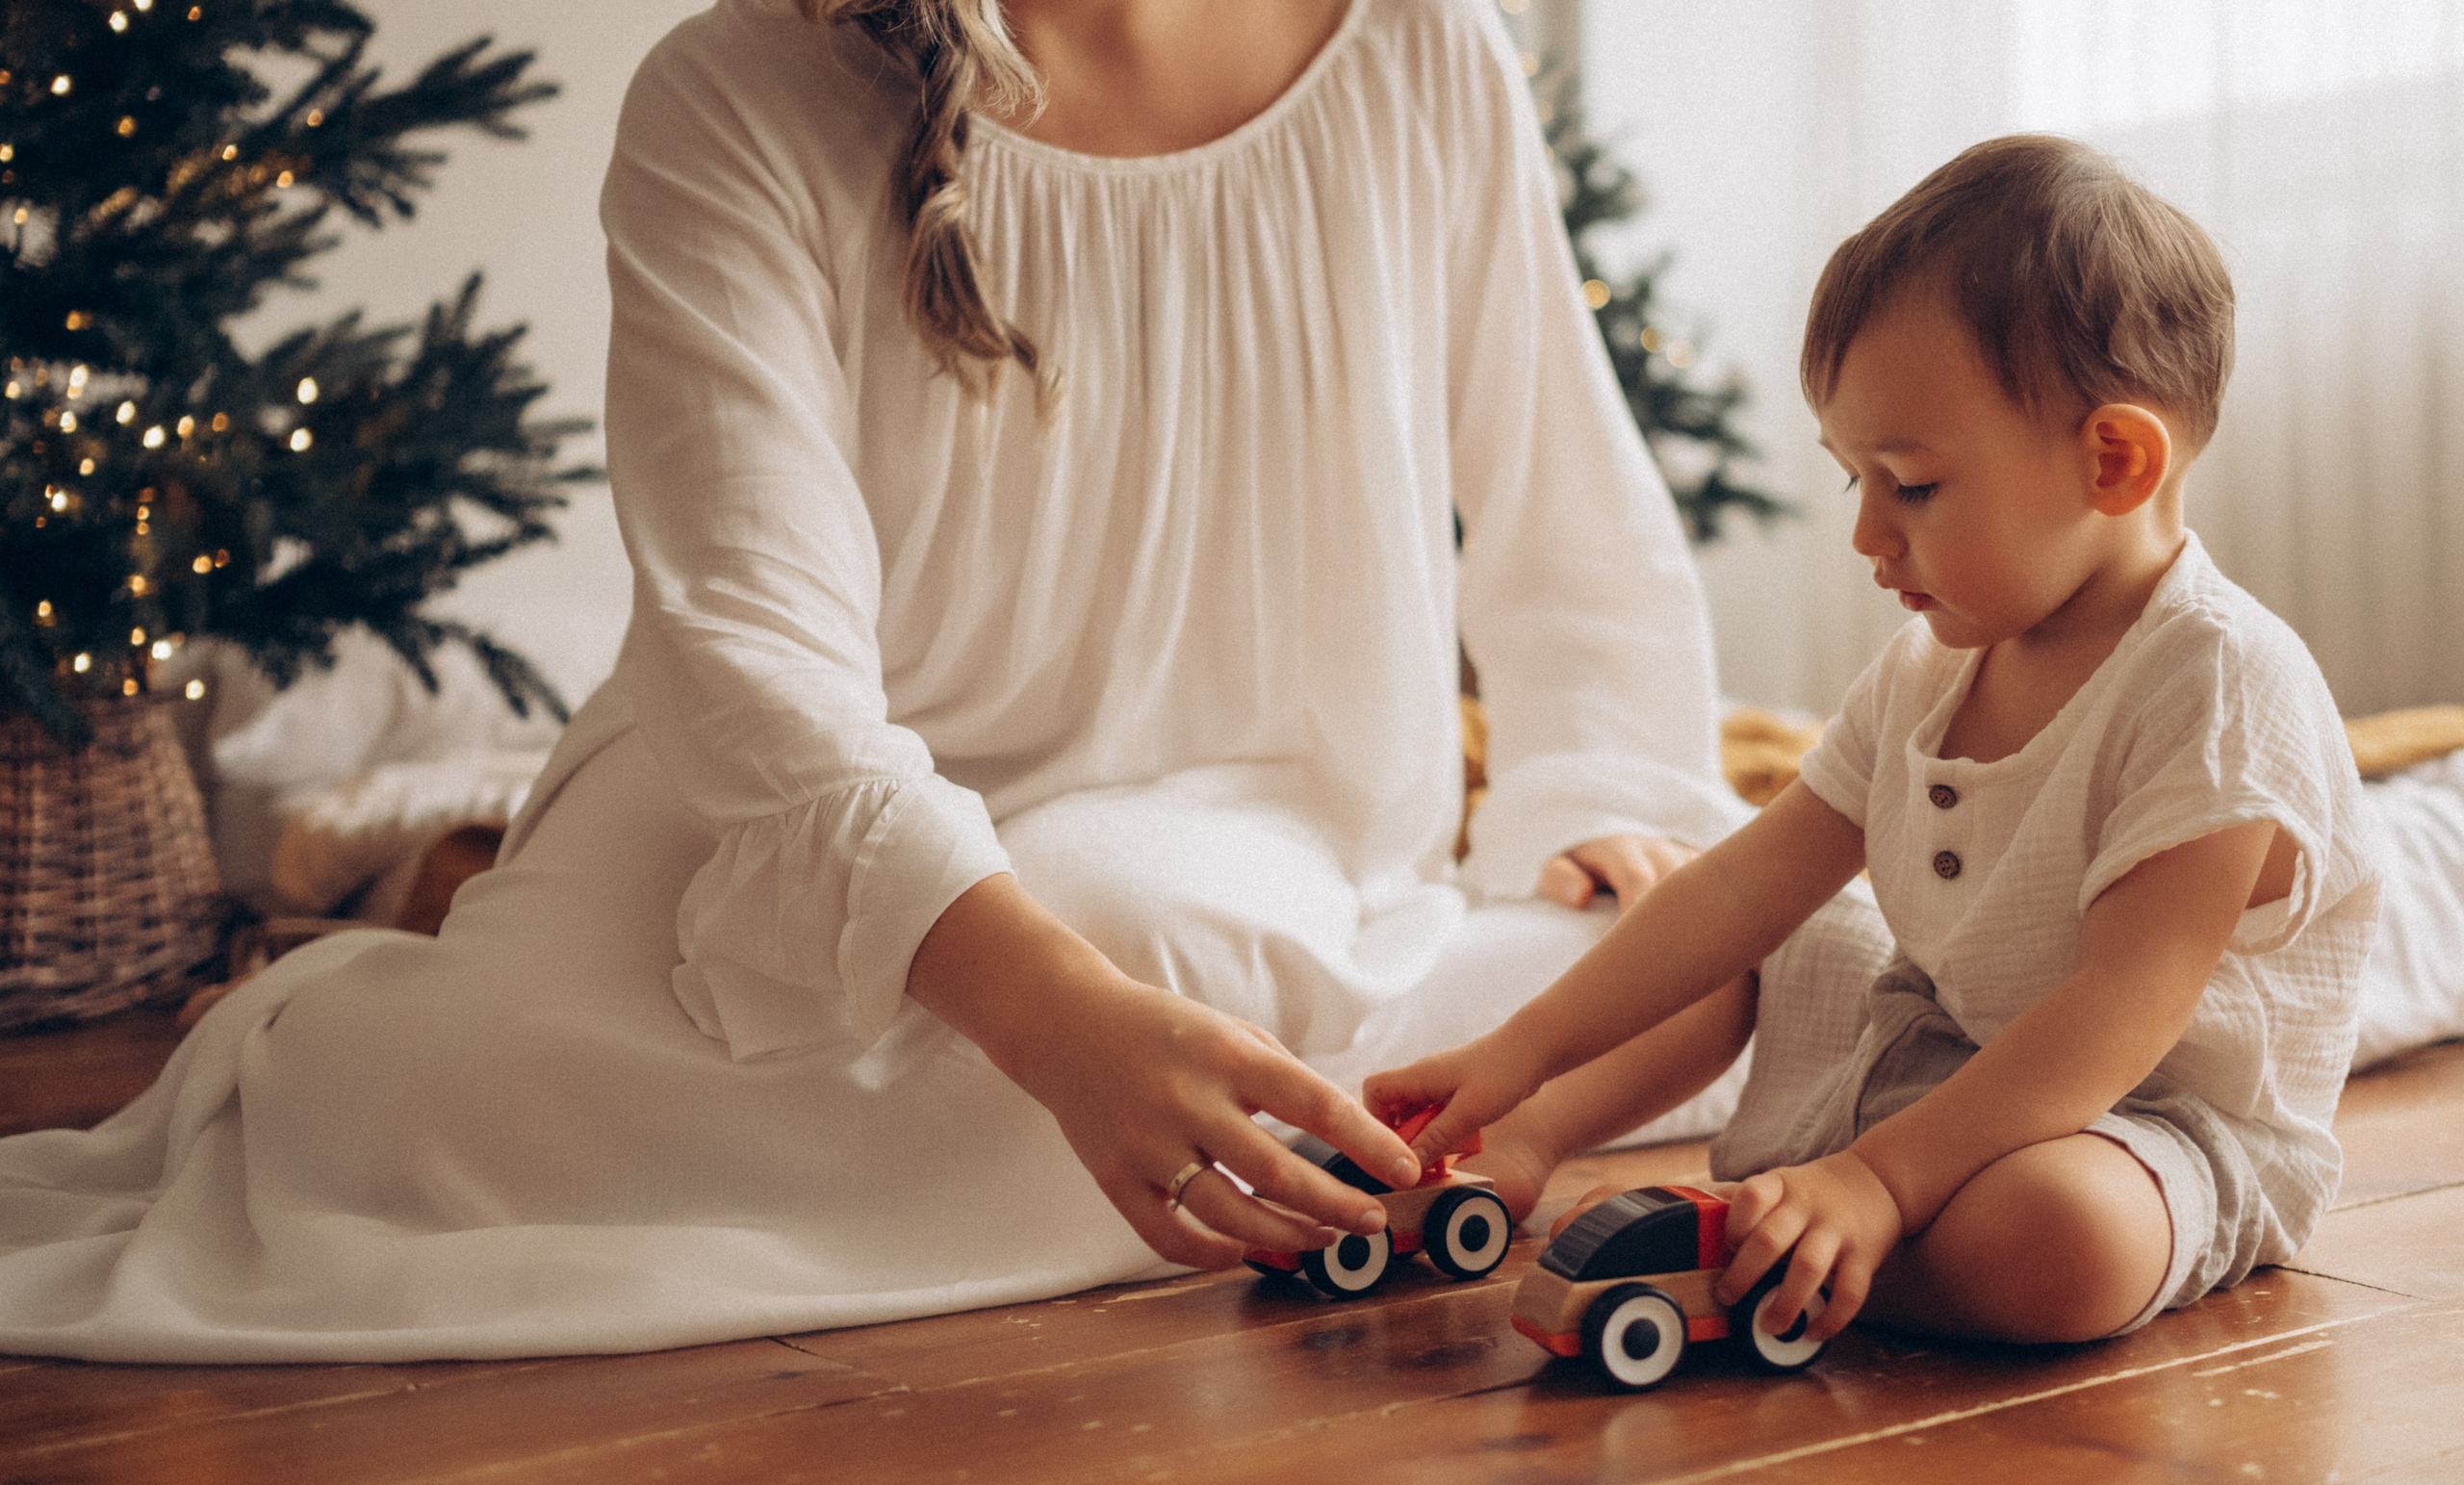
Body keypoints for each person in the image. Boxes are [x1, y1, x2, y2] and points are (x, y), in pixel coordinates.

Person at [0, 0, 1755, 1362]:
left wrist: (1602, 789)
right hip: (759, 816)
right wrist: (1049, 1025)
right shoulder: (733, 93)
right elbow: (751, 659)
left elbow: (1567, 503)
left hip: (1220, 819)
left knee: (1160, 933)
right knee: (431, 1103)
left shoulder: (1418, 52)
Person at [1369, 134, 2382, 1345]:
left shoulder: (2217, 684)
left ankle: (1759, 1264)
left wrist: (1878, 1178)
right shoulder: (1936, 659)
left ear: (2111, 460)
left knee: (2059, 1242)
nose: (1864, 534)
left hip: (2144, 1124)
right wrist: (1516, 1057)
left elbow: (2121, 1009)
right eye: (1852, 476)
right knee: (1745, 933)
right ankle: (1534, 1155)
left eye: (1909, 485)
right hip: (1943, 1044)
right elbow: (1747, 883)